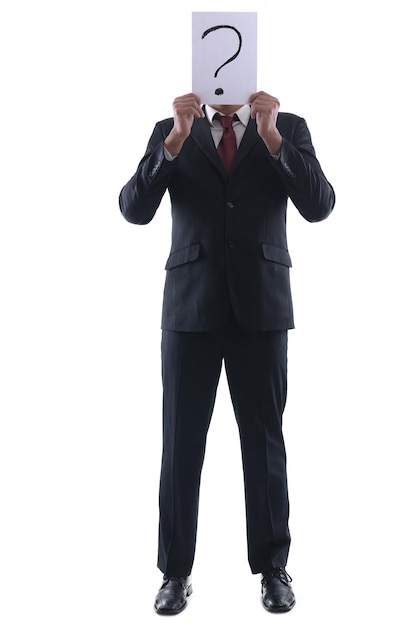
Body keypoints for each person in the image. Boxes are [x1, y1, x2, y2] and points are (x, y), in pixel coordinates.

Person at [119, 91, 335, 615]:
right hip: (190, 307)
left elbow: (320, 205)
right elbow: (133, 209)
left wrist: (273, 139)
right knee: (181, 443)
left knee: (264, 444)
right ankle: (174, 572)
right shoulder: (172, 129)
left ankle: (272, 567)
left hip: (260, 305)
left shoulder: (287, 126)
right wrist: (170, 144)